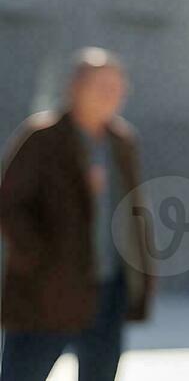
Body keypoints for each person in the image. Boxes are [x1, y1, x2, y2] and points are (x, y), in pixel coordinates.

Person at [0, 48, 153, 381]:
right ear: (76, 88)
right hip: (46, 293)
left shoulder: (121, 141)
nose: (112, 96)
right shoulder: (43, 138)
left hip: (107, 291)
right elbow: (9, 204)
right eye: (102, 87)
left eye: (118, 88)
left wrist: (139, 274)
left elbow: (132, 211)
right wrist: (36, 256)